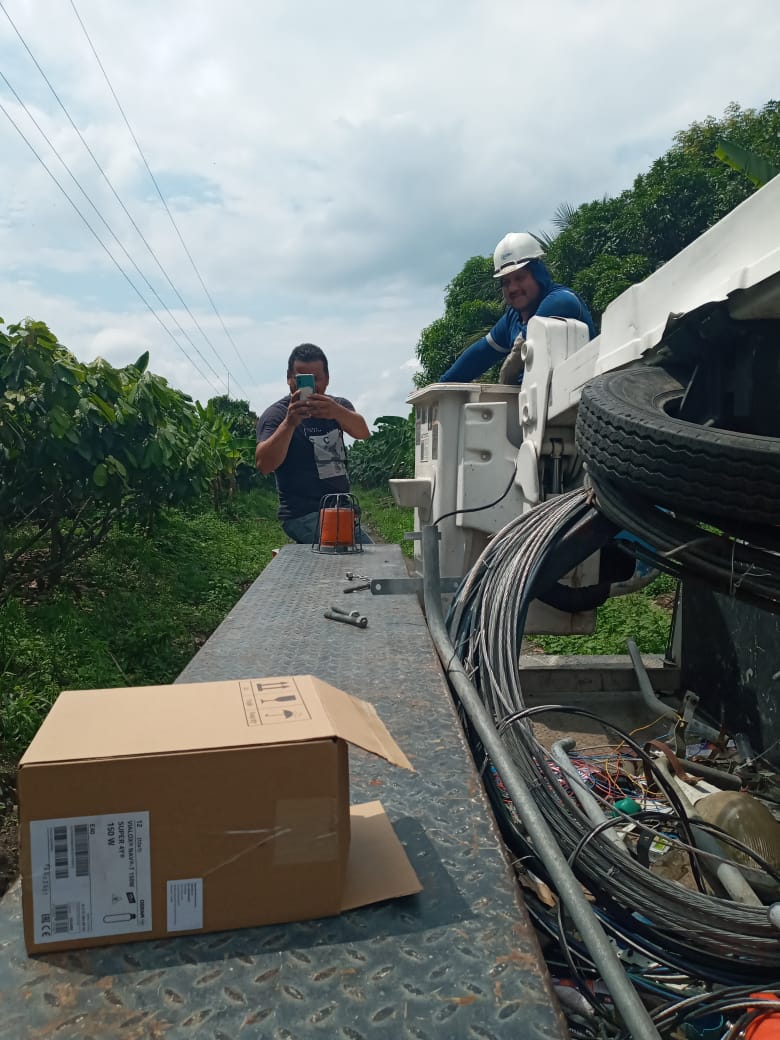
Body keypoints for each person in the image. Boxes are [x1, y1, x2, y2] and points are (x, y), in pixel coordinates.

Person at [439, 232, 596, 384]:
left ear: (538, 274)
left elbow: (536, 328)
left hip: (582, 395)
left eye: (520, 278)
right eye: (506, 282)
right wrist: (440, 387)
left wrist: (511, 365)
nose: (513, 288)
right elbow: (478, 356)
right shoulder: (513, 319)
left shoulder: (561, 299)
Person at [256, 343, 372, 544]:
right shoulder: (277, 415)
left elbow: (362, 432)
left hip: (339, 510)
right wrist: (289, 424)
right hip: (302, 514)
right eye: (301, 379)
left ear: (327, 379)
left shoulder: (338, 406)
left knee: (366, 556)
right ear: (289, 378)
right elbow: (264, 465)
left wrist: (336, 412)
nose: (309, 386)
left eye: (315, 378)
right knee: (359, 554)